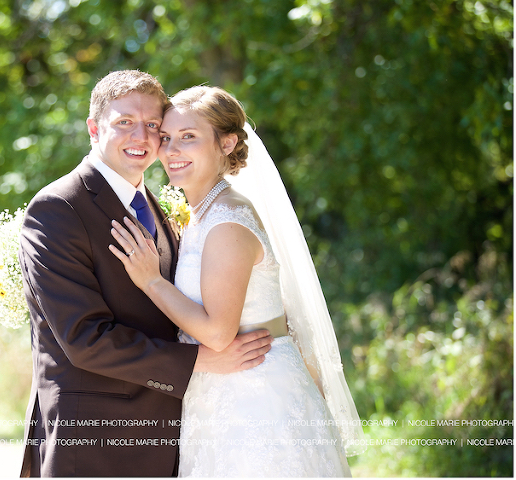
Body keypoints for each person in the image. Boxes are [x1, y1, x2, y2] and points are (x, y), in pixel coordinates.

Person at [18, 71, 273, 477]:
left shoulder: (155, 204)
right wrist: (198, 362)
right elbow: (84, 340)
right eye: (124, 123)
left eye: (153, 126)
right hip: (95, 439)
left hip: (169, 430)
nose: (141, 136)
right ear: (93, 128)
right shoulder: (58, 209)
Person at [110, 86, 365, 477]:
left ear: (227, 143)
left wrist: (151, 281)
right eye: (166, 138)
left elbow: (216, 332)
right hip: (220, 391)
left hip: (255, 395)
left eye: (189, 137)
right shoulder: (201, 215)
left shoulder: (227, 220)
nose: (171, 150)